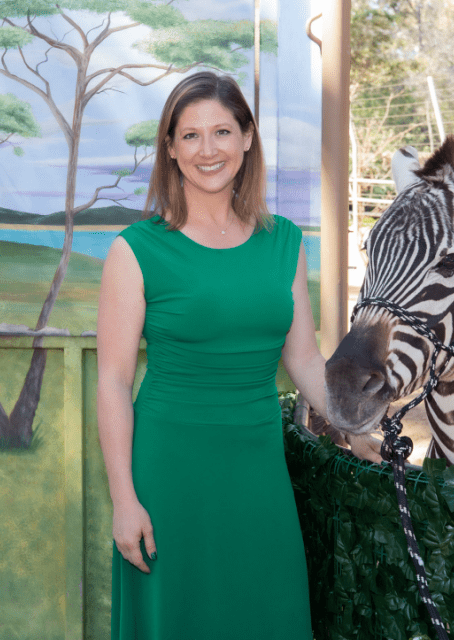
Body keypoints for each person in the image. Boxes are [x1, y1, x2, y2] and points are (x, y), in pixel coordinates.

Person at [96, 71, 380, 639]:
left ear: (248, 139)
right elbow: (112, 381)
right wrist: (124, 499)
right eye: (191, 135)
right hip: (168, 476)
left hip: (257, 477)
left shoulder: (284, 242)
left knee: (263, 615)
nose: (208, 150)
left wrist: (352, 424)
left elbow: (302, 359)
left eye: (222, 131)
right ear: (171, 150)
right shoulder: (135, 251)